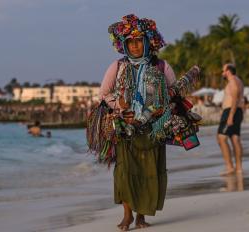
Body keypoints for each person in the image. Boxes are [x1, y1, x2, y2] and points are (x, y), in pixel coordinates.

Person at [99, 14, 177, 231]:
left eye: (138, 41)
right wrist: (122, 109)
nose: (134, 46)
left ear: (147, 42)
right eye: (130, 42)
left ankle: (141, 216)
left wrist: (156, 108)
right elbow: (104, 93)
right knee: (125, 172)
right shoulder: (118, 66)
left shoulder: (161, 66)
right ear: (124, 45)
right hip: (126, 129)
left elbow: (172, 94)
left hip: (153, 130)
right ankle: (127, 215)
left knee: (148, 171)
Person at [217, 64, 244, 175]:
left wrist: (230, 115)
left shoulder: (233, 81)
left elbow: (235, 98)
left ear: (228, 71)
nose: (222, 73)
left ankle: (229, 167)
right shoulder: (238, 80)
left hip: (231, 111)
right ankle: (238, 168)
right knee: (235, 138)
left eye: (223, 70)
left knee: (221, 138)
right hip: (237, 111)